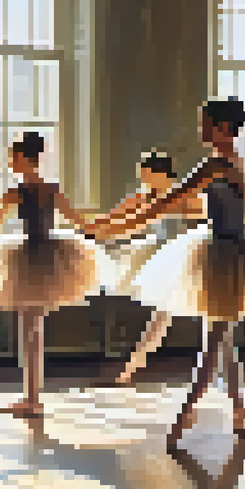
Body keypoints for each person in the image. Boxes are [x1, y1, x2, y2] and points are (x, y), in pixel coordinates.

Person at [92, 98, 245, 446]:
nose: (201, 129)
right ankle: (237, 409)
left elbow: (167, 203)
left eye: (206, 123)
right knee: (222, 340)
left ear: (223, 128)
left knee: (214, 340)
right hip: (226, 250)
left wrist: (115, 228)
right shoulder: (232, 160)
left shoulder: (216, 164)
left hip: (227, 253)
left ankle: (188, 411)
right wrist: (118, 223)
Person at [0, 132, 115, 416]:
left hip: (33, 257)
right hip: (45, 256)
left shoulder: (16, 192)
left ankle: (31, 398)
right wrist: (108, 226)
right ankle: (32, 396)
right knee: (34, 327)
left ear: (24, 158)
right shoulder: (50, 189)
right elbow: (81, 222)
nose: (10, 162)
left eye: (13, 157)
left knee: (30, 328)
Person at [92, 151, 204, 387]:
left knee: (184, 316)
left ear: (161, 174)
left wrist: (105, 230)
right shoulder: (148, 195)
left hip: (188, 257)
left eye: (146, 175)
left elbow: (136, 222)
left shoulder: (187, 196)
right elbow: (117, 215)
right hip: (165, 257)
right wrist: (92, 227)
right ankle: (130, 369)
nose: (143, 180)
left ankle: (131, 370)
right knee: (162, 316)